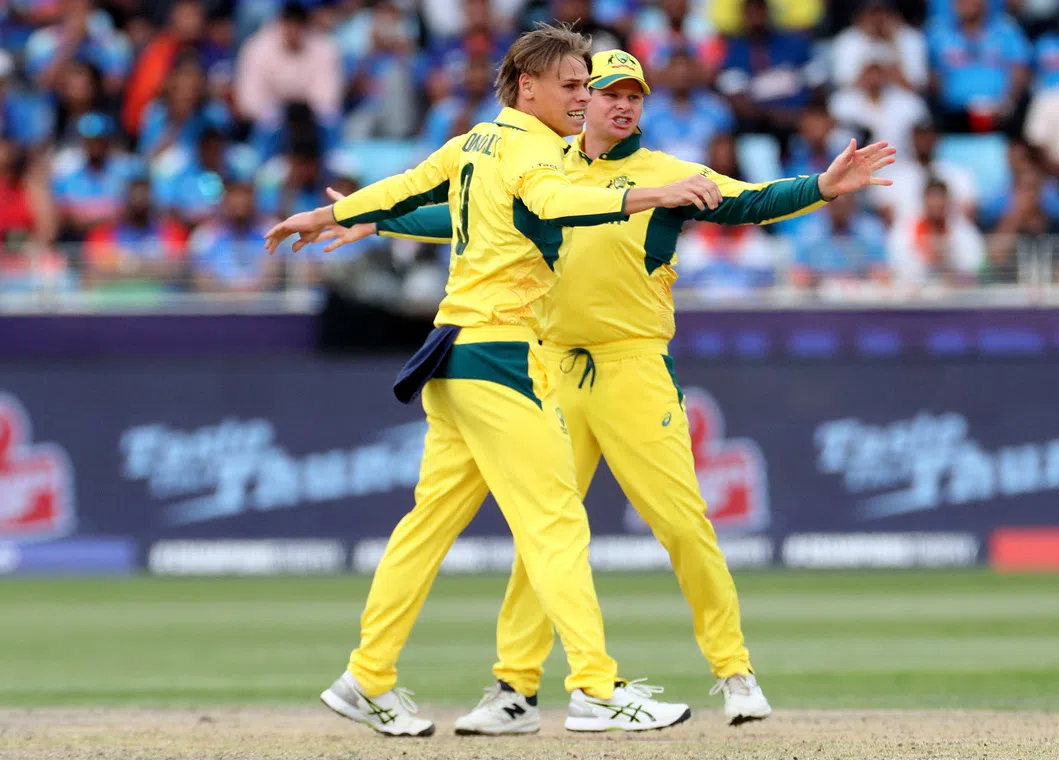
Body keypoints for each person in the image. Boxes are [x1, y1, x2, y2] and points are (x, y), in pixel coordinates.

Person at [316, 48, 895, 734]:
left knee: (681, 524)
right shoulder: (543, 162)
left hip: (632, 369)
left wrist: (821, 188)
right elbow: (473, 216)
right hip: (549, 364)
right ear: (581, 98)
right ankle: (514, 689)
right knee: (545, 531)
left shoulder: (670, 174)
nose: (622, 104)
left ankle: (733, 671)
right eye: (607, 91)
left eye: (634, 95)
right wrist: (384, 220)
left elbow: (749, 202)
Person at [264, 24, 724, 738]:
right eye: (572, 85)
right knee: (557, 521)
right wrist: (651, 196)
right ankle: (597, 690)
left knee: (427, 527)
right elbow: (558, 205)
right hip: (505, 356)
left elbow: (410, 187)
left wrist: (335, 213)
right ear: (528, 85)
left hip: (451, 354)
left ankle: (367, 678)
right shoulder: (538, 153)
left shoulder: (479, 140)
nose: (585, 97)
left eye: (587, 86)